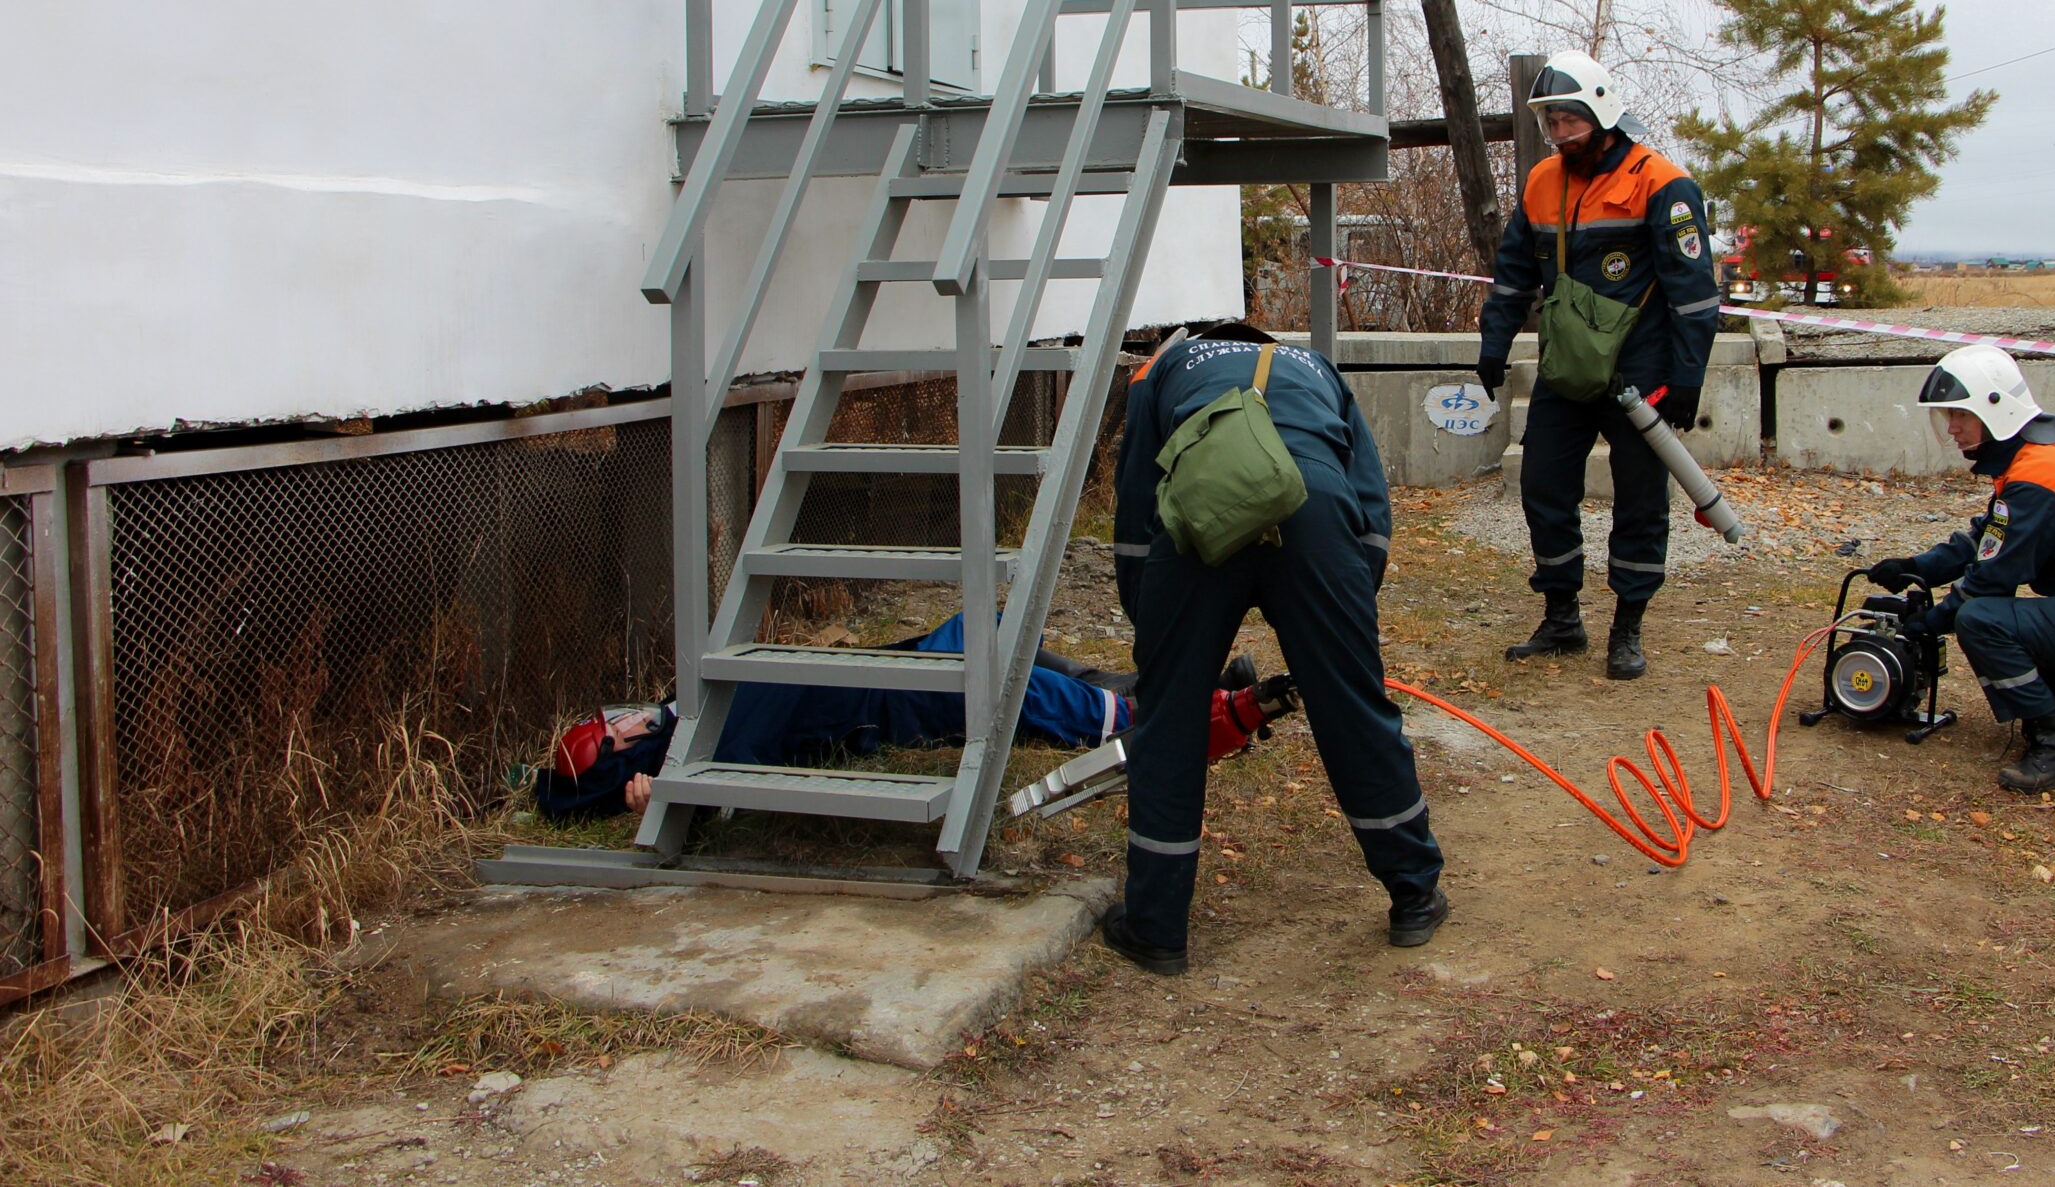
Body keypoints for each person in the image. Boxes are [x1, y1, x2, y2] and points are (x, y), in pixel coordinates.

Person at [1103, 321, 1446, 975]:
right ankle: (1415, 896)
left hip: (1202, 508)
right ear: (1266, 339)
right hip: (1313, 504)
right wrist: (1346, 621)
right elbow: (1371, 505)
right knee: (1353, 711)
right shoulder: (1316, 367)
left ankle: (1155, 928)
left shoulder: (1161, 367)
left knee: (1169, 722)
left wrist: (1153, 626)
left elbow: (1137, 503)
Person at [1475, 53, 1722, 680]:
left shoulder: (1661, 183)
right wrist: (1494, 344)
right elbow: (1512, 276)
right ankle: (1562, 618)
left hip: (1642, 371)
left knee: (1640, 498)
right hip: (1566, 366)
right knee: (1542, 485)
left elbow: (1694, 294)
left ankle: (1628, 626)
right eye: (1552, 123)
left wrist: (1688, 376)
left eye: (1569, 121)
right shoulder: (1539, 184)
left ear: (1602, 112)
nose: (1560, 135)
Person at [531, 611, 1269, 819]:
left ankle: (1174, 686)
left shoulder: (676, 709)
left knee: (994, 637)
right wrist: (659, 797)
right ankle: (1149, 713)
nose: (625, 718)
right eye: (613, 732)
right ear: (619, 758)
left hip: (871, 672)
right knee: (978, 667)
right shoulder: (687, 751)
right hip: (873, 703)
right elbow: (726, 788)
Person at [1861, 345, 2055, 794]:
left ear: (1995, 409)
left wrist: (1929, 624)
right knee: (2016, 620)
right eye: (1948, 417)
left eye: (1961, 415)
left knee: (1983, 620)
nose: (1953, 428)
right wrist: (1916, 568)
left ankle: (2054, 747)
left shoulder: (2037, 477)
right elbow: (1988, 537)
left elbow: (1991, 577)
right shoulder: (2037, 458)